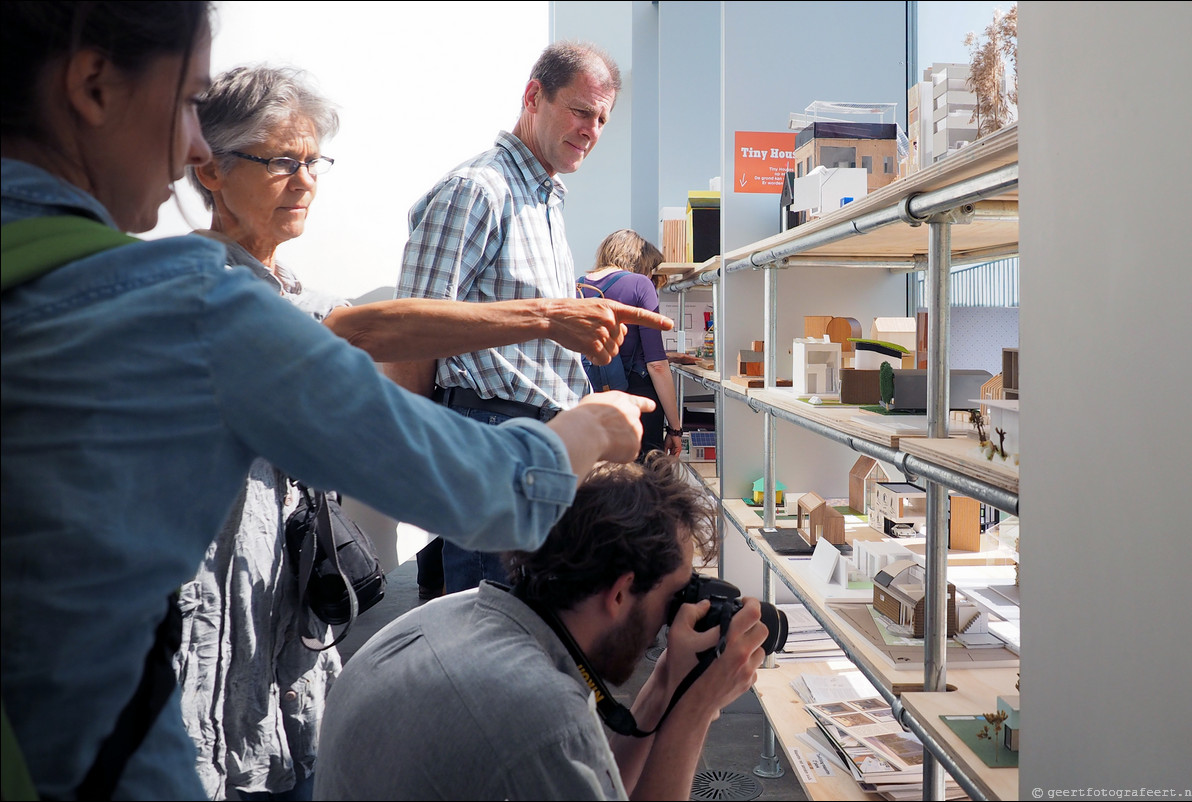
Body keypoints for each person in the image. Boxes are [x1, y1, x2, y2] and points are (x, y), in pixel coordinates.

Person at [0, 4, 653, 799]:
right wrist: (583, 432)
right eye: (185, 102)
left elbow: (353, 324)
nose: (191, 144)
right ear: (93, 85)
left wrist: (546, 318)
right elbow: (478, 482)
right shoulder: (192, 308)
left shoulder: (101, 291)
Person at [176, 63, 673, 801]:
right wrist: (554, 348)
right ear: (207, 170)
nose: (305, 180)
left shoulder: (286, 292)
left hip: (288, 635)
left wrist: (551, 322)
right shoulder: (205, 295)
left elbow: (364, 322)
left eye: (313, 162)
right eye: (282, 161)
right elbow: (372, 330)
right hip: (223, 643)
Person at [314, 453, 768, 800]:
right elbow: (550, 736)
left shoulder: (455, 614)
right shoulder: (542, 713)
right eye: (674, 596)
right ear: (619, 593)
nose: (673, 618)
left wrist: (666, 688)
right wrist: (693, 711)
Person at [388, 40, 625, 594]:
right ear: (533, 97)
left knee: (527, 637)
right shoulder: (478, 189)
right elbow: (411, 332)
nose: (591, 129)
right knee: (490, 638)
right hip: (490, 443)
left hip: (534, 446)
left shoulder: (544, 199)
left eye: (602, 118)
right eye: (580, 110)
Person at [579, 229, 685, 458]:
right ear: (640, 261)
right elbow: (656, 365)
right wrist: (675, 428)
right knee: (640, 483)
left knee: (601, 478)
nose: (650, 277)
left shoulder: (579, 286)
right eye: (650, 270)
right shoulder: (639, 283)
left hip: (591, 398)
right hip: (637, 399)